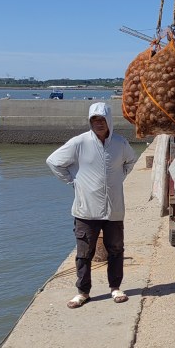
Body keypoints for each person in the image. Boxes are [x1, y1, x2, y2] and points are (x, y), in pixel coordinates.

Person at [47, 102, 137, 308]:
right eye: (94, 120)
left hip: (113, 208)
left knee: (115, 249)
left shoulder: (120, 143)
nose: (99, 124)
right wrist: (73, 180)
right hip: (86, 209)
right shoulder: (79, 142)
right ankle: (83, 292)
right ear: (90, 122)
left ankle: (115, 287)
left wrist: (118, 177)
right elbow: (53, 161)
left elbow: (131, 161)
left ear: (109, 122)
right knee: (84, 252)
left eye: (102, 120)